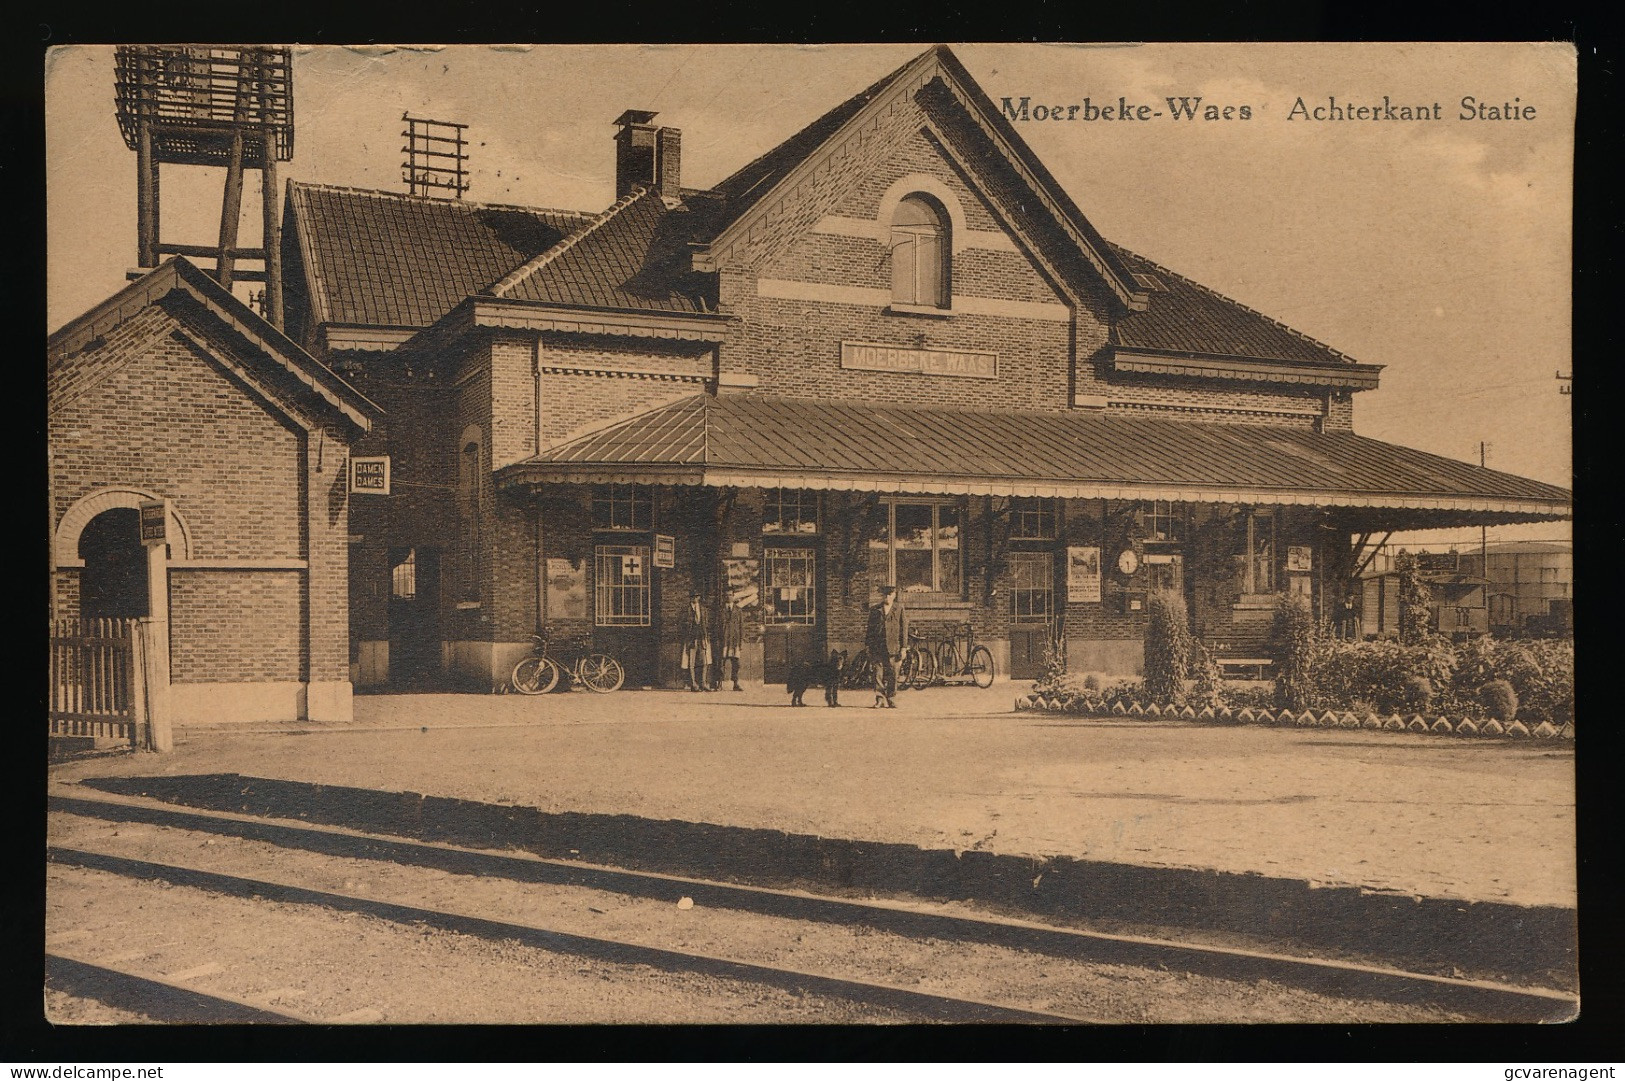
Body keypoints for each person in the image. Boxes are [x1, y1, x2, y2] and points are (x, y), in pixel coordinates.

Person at [865, 584, 907, 708]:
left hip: (893, 647)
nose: (887, 597)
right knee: (877, 673)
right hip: (877, 646)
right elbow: (870, 629)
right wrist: (868, 645)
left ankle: (891, 697)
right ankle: (880, 698)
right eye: (885, 595)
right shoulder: (875, 610)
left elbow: (904, 629)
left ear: (894, 596)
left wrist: (903, 648)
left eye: (890, 595)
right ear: (882, 596)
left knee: (893, 673)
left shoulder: (899, 609)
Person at [679, 591, 714, 691]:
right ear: (690, 598)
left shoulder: (703, 610)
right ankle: (693, 683)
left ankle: (703, 682)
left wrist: (706, 635)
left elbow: (707, 624)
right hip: (691, 639)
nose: (695, 599)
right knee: (691, 662)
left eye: (697, 597)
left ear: (699, 598)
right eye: (693, 597)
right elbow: (681, 624)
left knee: (704, 661)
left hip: (702, 638)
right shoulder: (686, 610)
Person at [720, 597, 746, 691]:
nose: (728, 597)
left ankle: (736, 683)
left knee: (736, 663)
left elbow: (741, 626)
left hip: (735, 641)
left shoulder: (738, 610)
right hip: (724, 640)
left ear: (733, 596)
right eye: (726, 595)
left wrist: (741, 641)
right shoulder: (721, 610)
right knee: (721, 663)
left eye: (730, 595)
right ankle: (719, 683)